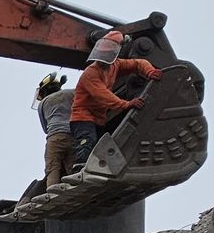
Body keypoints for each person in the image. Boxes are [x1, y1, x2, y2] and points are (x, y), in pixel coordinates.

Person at [69, 31, 164, 169]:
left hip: (98, 118)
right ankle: (80, 169)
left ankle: (94, 170)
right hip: (83, 117)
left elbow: (138, 63)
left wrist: (149, 71)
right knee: (87, 141)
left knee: (100, 146)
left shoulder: (115, 65)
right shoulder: (90, 74)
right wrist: (126, 104)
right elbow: (104, 95)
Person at [34, 73, 74, 186]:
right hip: (73, 135)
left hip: (55, 138)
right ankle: (74, 186)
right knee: (72, 166)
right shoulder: (71, 93)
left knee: (52, 167)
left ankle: (52, 192)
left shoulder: (43, 104)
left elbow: (45, 128)